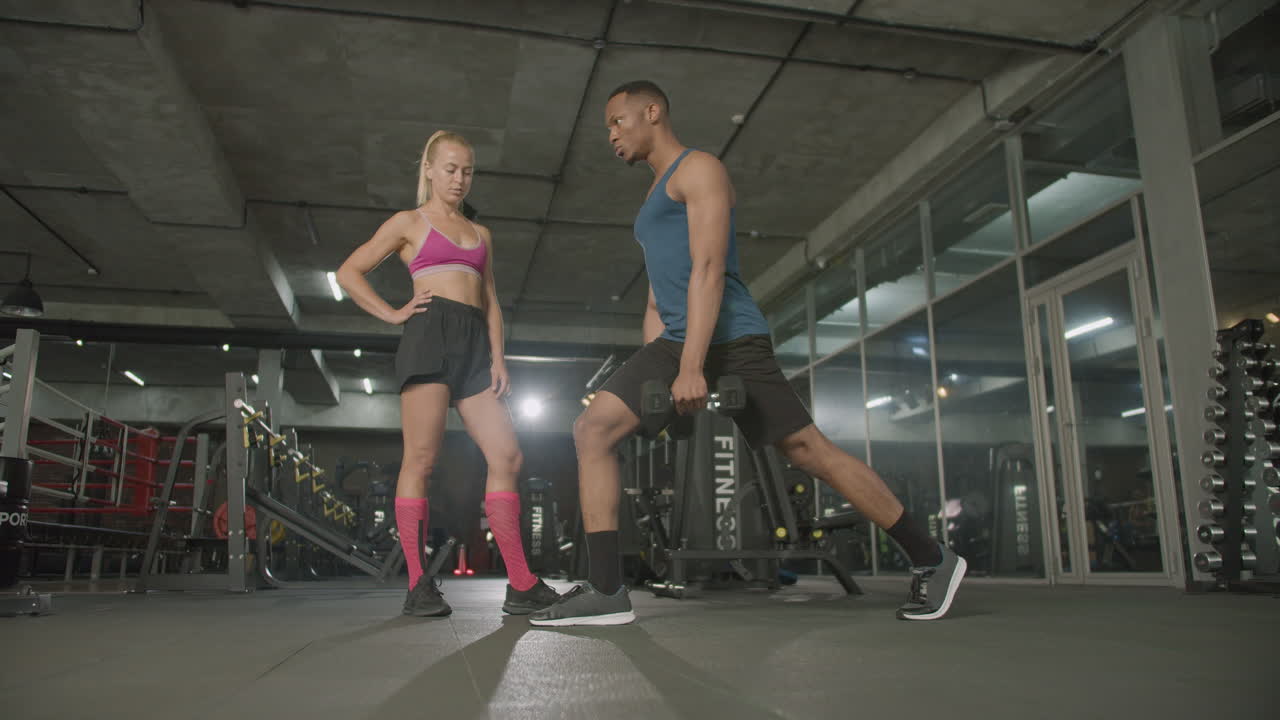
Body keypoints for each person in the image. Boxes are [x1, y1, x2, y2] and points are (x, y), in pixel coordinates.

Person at [530, 81, 966, 627]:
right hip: (675, 337)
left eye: (617, 121)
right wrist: (660, 376)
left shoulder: (699, 169)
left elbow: (710, 269)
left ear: (652, 111)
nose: (611, 135)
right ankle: (606, 590)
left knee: (806, 450)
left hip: (731, 337)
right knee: (592, 429)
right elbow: (658, 292)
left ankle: (933, 558)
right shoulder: (653, 196)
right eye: (608, 128)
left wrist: (693, 365)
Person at [336, 130, 560, 617]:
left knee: (508, 454)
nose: (459, 179)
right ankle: (418, 585)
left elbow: (490, 299)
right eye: (451, 169)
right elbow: (348, 272)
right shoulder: (408, 223)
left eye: (467, 171)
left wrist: (498, 357)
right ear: (430, 170)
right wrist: (393, 313)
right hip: (430, 335)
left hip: (474, 345)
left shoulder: (482, 235)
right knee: (421, 459)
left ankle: (521, 583)